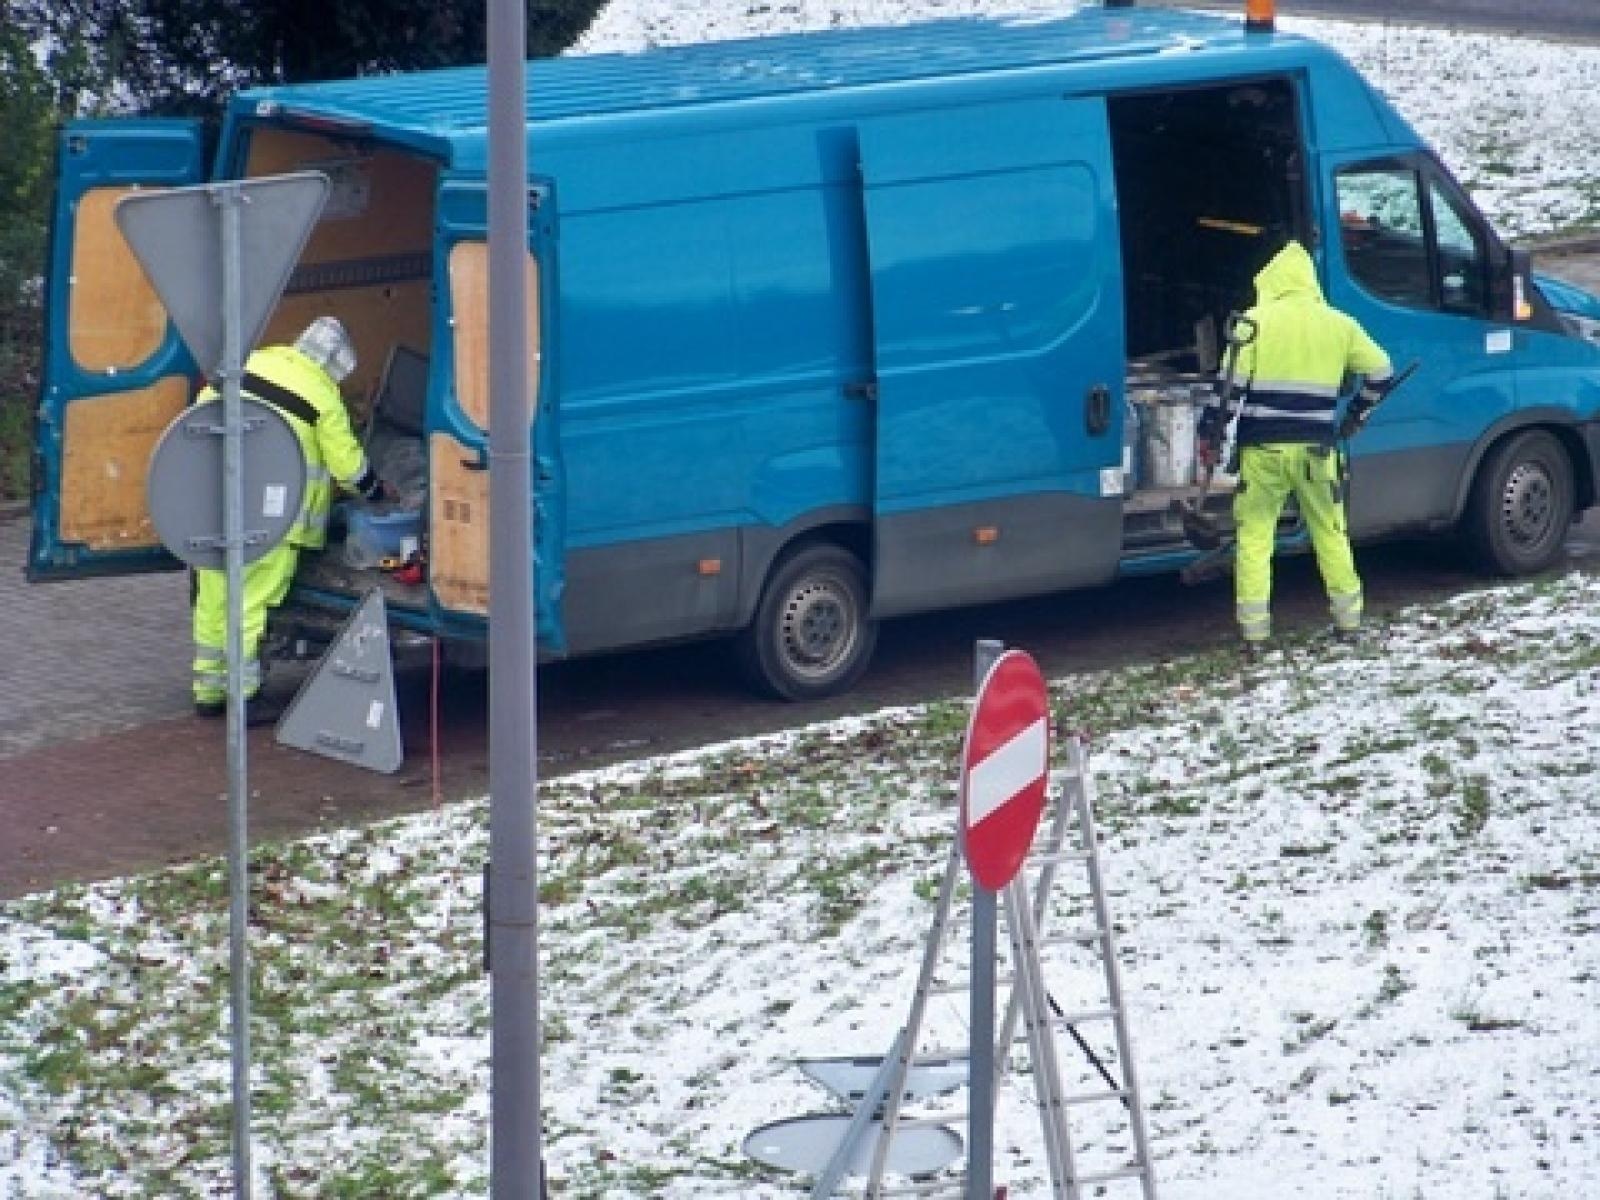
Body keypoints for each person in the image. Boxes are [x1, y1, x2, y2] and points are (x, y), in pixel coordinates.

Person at [1198, 239, 1393, 651]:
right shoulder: (1339, 324)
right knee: (1330, 533)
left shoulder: (1253, 323)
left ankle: (1255, 636)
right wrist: (1356, 413)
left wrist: (1209, 436)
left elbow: (1227, 391)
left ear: (1270, 281)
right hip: (1317, 453)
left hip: (1262, 455)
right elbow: (1381, 371)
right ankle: (1348, 624)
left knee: (1255, 539)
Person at [192, 316, 388, 724]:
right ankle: (243, 697)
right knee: (251, 603)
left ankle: (208, 689)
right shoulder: (321, 394)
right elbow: (348, 468)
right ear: (335, 365)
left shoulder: (249, 364)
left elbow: (197, 419)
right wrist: (377, 493)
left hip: (215, 504)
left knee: (214, 597)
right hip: (275, 517)